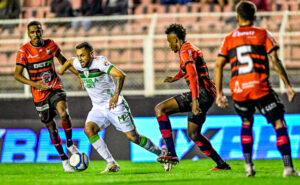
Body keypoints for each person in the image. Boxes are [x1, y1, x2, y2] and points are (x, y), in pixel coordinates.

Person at [214, 1, 299, 177]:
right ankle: (288, 168)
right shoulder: (263, 34)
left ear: (237, 18)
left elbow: (218, 65)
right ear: (254, 17)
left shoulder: (229, 38)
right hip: (260, 87)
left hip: (239, 91)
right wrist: (288, 85)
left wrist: (220, 93)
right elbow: (275, 61)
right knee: (278, 123)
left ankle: (248, 166)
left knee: (246, 122)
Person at [58, 42, 167, 173]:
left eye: (83, 55)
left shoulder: (100, 63)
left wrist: (116, 96)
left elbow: (121, 75)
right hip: (98, 107)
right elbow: (69, 62)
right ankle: (111, 163)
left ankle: (162, 154)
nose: (80, 58)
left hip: (115, 105)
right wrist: (77, 74)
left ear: (91, 54)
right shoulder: (77, 63)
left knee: (133, 137)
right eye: (78, 56)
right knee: (89, 130)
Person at [155, 23, 231, 171]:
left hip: (201, 94)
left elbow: (193, 75)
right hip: (208, 93)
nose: (169, 45)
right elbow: (187, 69)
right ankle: (222, 164)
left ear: (176, 39)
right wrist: (175, 78)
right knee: (194, 134)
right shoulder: (190, 48)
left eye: (169, 41)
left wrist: (195, 100)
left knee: (160, 109)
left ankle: (171, 152)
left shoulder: (184, 52)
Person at [14, 21, 83, 172]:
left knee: (64, 113)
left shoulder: (50, 45)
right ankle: (64, 160)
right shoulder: (24, 51)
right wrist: (34, 84)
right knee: (52, 128)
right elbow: (17, 75)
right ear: (28, 34)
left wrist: (78, 75)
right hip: (39, 94)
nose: (36, 35)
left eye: (38, 31)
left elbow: (63, 61)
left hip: (54, 86)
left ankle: (70, 143)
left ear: (42, 32)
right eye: (32, 32)